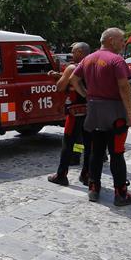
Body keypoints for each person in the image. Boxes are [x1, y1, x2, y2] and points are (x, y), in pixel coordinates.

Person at [71, 28, 131, 206]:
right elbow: (124, 87)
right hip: (115, 113)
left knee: (95, 151)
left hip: (94, 111)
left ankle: (94, 187)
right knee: (116, 153)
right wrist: (130, 112)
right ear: (111, 40)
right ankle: (121, 193)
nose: (123, 43)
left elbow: (74, 79)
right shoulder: (116, 60)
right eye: (121, 40)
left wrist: (86, 95)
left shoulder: (88, 59)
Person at [47, 42, 92, 186]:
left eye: (73, 51)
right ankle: (86, 175)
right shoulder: (93, 66)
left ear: (79, 52)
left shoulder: (72, 67)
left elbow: (60, 86)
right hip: (91, 110)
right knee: (88, 144)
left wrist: (62, 78)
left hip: (75, 111)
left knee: (67, 142)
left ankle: (61, 174)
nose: (72, 54)